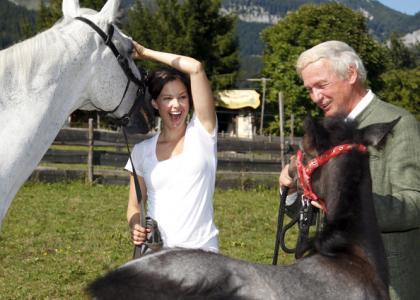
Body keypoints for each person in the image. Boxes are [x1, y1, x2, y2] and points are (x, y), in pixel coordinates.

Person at [279, 40, 420, 300]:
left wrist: (348, 203)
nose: (315, 97)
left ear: (351, 74)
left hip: (387, 285)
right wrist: (289, 192)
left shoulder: (401, 124)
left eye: (321, 85)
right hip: (333, 283)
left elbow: (414, 206)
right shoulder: (327, 133)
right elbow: (312, 210)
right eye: (309, 89)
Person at [125, 41, 219, 253]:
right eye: (167, 98)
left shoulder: (203, 134)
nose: (176, 105)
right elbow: (134, 206)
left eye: (182, 97)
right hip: (157, 255)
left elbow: (195, 68)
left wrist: (146, 53)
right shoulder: (141, 151)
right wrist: (135, 226)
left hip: (203, 255)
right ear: (156, 103)